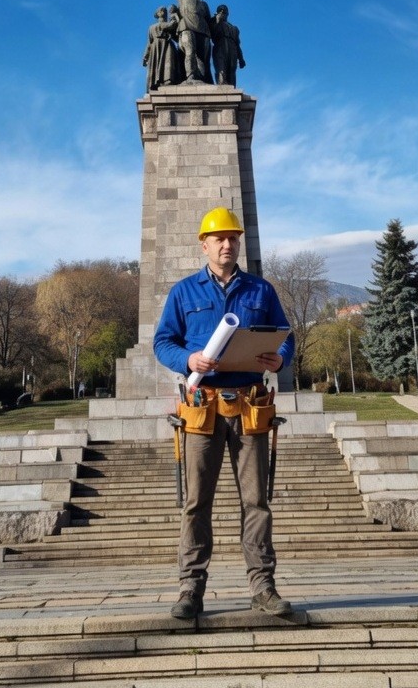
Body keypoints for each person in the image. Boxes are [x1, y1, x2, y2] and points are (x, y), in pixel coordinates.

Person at [153, 207, 295, 619]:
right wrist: (188, 359)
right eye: (219, 239)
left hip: (250, 406)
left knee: (256, 501)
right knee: (196, 502)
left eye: (233, 238)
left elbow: (285, 337)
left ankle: (263, 587)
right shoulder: (184, 292)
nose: (227, 245)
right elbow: (163, 342)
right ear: (204, 245)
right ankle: (191, 589)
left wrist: (279, 359)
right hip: (202, 408)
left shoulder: (261, 291)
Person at [170, 0, 212, 84]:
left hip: (203, 31)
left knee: (203, 58)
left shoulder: (203, 4)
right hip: (186, 27)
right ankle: (191, 76)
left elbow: (210, 20)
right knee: (190, 52)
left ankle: (202, 79)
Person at [142, 6, 184, 92]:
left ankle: (168, 80)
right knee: (158, 63)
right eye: (161, 11)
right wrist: (145, 56)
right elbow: (149, 43)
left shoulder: (167, 24)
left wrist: (175, 16)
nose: (163, 12)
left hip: (167, 44)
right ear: (157, 14)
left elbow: (173, 25)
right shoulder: (152, 27)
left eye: (164, 10)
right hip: (156, 47)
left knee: (168, 60)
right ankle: (156, 82)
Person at [210, 4, 245, 87]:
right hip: (219, 47)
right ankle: (221, 86)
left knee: (232, 70)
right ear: (217, 13)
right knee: (221, 68)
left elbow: (237, 44)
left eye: (224, 10)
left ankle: (232, 88)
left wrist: (241, 59)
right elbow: (212, 36)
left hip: (232, 49)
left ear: (227, 13)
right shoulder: (213, 22)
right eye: (220, 10)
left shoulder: (234, 28)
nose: (222, 12)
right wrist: (217, 21)